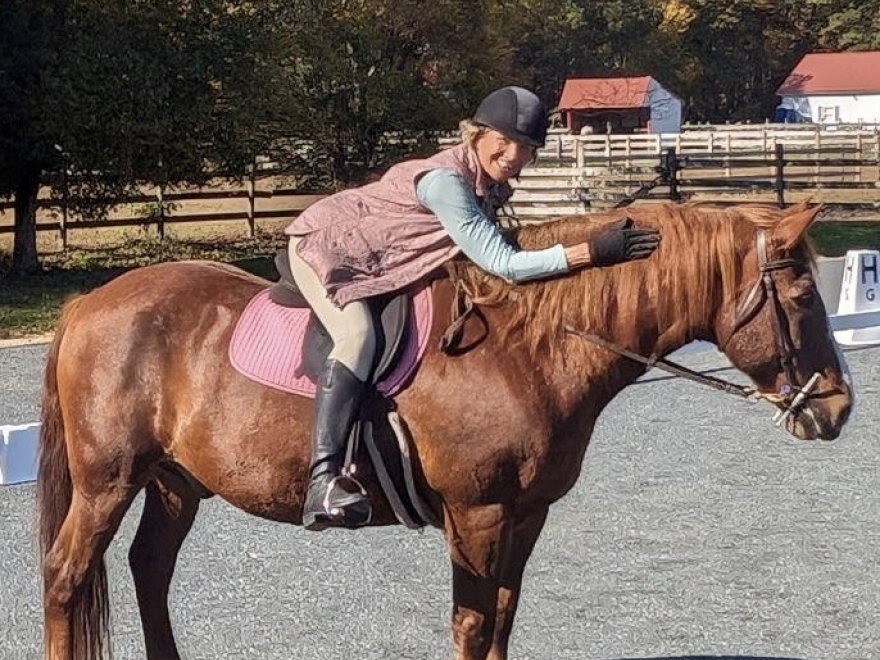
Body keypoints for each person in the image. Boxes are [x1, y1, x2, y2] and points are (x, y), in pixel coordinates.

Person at [284, 86, 660, 531]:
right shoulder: (447, 183)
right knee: (358, 336)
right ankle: (323, 479)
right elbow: (503, 263)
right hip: (327, 246)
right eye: (506, 140)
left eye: (528, 147)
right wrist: (590, 253)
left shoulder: (486, 182)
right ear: (478, 134)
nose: (515, 154)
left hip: (383, 256)